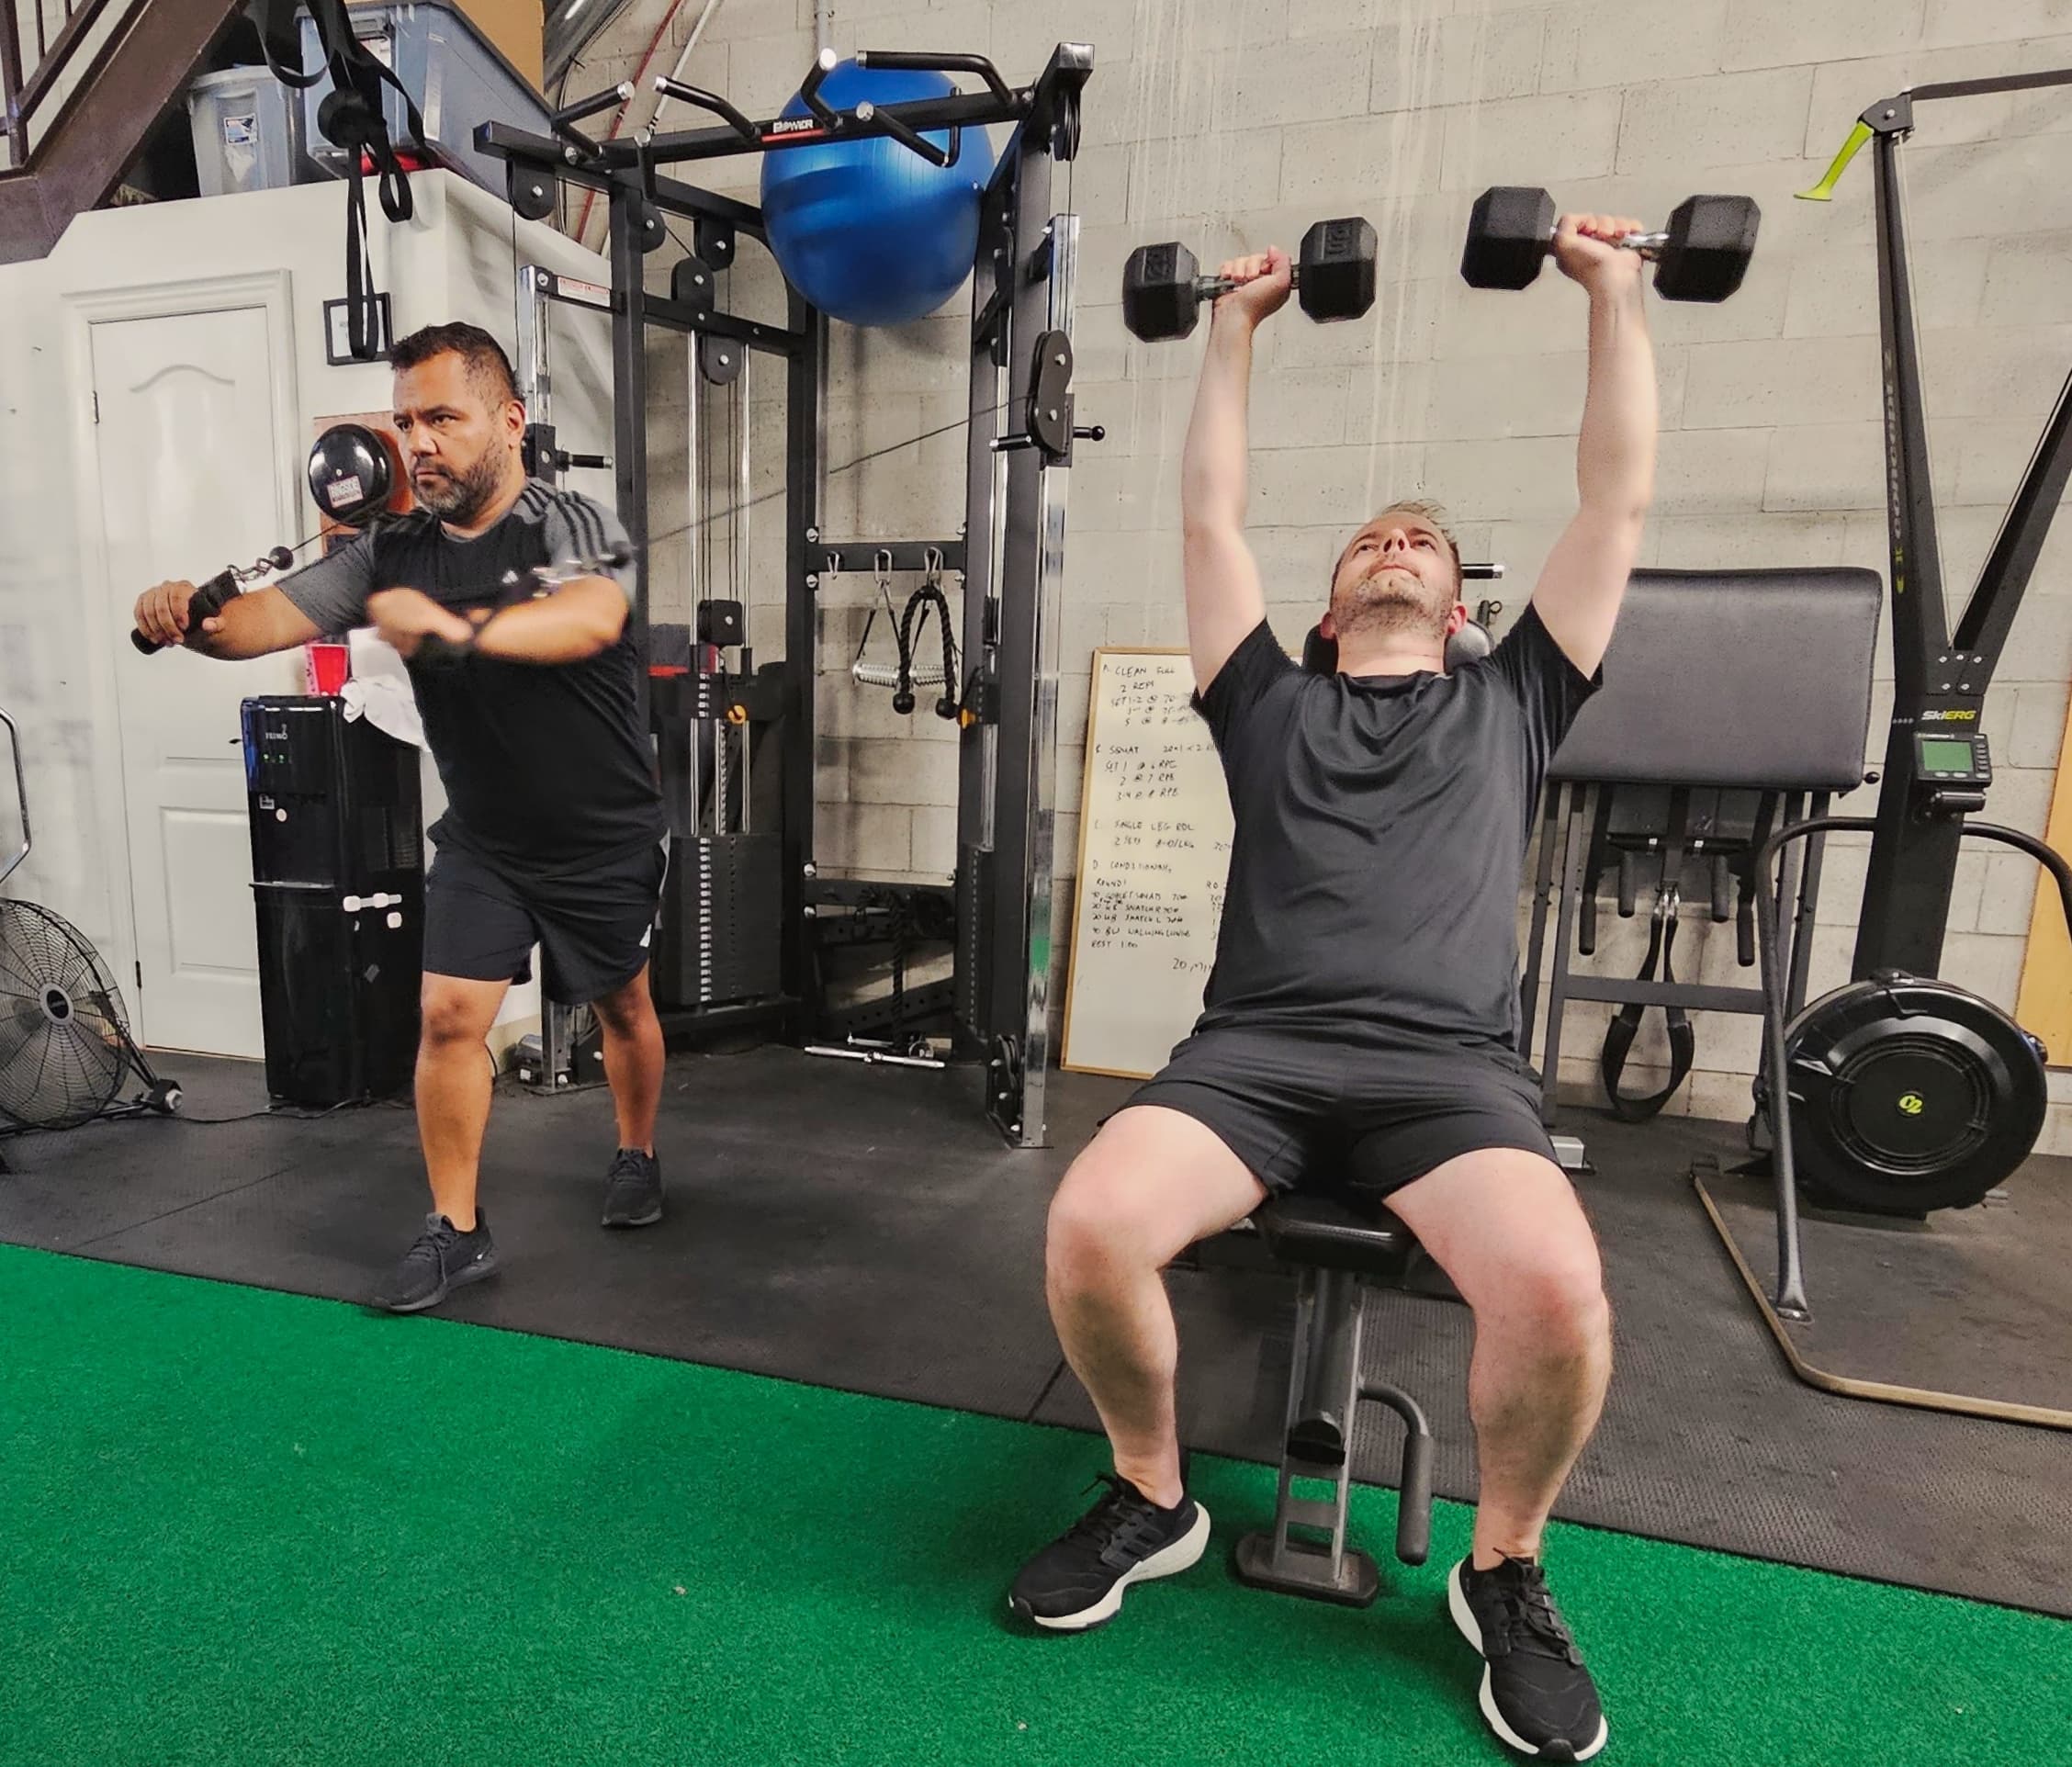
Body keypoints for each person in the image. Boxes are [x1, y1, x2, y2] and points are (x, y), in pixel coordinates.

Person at [1008, 216, 1658, 1762]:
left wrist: (1614, 296)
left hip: (1451, 1074)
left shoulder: (1517, 698)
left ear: (1458, 608)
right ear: (1323, 606)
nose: (1395, 544)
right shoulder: (1266, 701)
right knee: (1092, 1219)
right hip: (1253, 1059)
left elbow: (1612, 492)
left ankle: (1503, 1565)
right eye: (1371, 537)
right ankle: (1153, 1491)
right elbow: (1207, 513)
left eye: (1422, 544)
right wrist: (1236, 326)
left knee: (1560, 1286)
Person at [132, 321, 671, 1315]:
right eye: (406, 421)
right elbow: (265, 621)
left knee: (622, 1007)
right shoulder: (389, 553)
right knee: (446, 1015)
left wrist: (459, 627)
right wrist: (189, 621)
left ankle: (636, 1152)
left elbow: (587, 619)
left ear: (508, 423)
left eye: (442, 418)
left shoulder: (574, 522)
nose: (418, 441)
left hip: (602, 832)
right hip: (488, 837)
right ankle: (457, 1228)